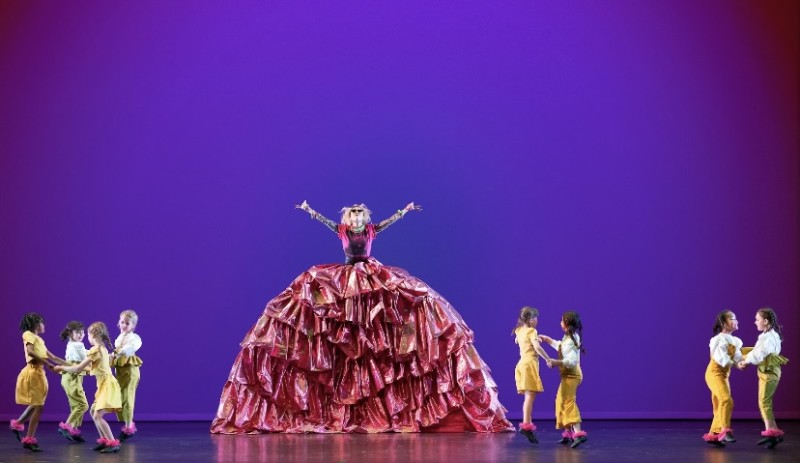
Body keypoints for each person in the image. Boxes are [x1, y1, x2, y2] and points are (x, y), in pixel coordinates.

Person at [211, 201, 513, 434]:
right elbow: (324, 221)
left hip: (370, 273)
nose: (356, 220)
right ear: (348, 219)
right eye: (352, 216)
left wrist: (405, 211)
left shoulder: (370, 230)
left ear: (364, 219)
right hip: (346, 277)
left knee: (397, 305)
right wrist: (307, 210)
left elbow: (389, 223)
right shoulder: (342, 231)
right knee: (331, 312)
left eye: (359, 216)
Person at [56, 322, 123, 453]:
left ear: (94, 334)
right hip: (105, 384)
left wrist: (61, 367)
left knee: (98, 415)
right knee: (93, 412)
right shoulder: (102, 349)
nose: (87, 337)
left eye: (87, 334)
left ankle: (112, 442)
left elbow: (78, 368)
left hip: (107, 385)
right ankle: (105, 440)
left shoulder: (96, 350)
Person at [10, 312, 66, 452]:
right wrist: (48, 364)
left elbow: (52, 356)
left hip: (40, 373)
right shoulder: (28, 334)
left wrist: (69, 365)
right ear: (36, 324)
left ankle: (18, 424)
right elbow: (30, 352)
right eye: (42, 322)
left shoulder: (40, 341)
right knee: (38, 405)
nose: (44, 325)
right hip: (33, 373)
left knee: (37, 403)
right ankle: (29, 439)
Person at [737, 308, 788, 449]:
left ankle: (771, 434)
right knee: (765, 402)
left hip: (769, 372)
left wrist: (745, 361)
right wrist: (743, 355)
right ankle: (773, 432)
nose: (755, 322)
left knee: (764, 402)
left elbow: (759, 354)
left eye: (757, 319)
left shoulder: (768, 337)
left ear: (765, 321)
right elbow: (757, 351)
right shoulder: (768, 335)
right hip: (767, 371)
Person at [540, 311, 587, 449]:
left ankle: (579, 434)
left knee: (568, 401)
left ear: (566, 323)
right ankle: (568, 433)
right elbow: (561, 346)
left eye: (561, 321)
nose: (560, 323)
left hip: (572, 375)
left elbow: (571, 361)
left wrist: (556, 362)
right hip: (567, 376)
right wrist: (548, 340)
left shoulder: (572, 339)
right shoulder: (568, 338)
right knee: (560, 401)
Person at [702, 310, 742, 447]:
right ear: (723, 323)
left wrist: (743, 361)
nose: (736, 321)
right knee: (726, 400)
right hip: (714, 373)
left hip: (724, 375)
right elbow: (721, 358)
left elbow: (737, 357)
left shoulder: (736, 341)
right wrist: (736, 364)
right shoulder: (718, 339)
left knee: (719, 404)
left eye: (736, 318)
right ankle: (725, 431)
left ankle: (714, 434)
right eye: (732, 318)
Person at [513, 306, 551, 444]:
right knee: (529, 397)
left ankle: (527, 424)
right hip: (529, 365)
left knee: (529, 397)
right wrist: (548, 359)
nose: (537, 320)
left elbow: (518, 340)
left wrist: (535, 339)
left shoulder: (519, 331)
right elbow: (537, 348)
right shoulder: (531, 331)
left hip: (522, 364)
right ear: (530, 319)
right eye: (535, 318)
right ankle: (526, 425)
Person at [112, 309, 143, 441]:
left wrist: (118, 353)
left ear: (133, 326)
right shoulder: (119, 337)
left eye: (127, 323)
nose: (124, 325)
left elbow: (130, 348)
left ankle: (129, 425)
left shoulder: (134, 338)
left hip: (130, 370)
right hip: (120, 370)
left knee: (128, 396)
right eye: (122, 322)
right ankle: (126, 422)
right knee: (120, 396)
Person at [58, 321, 90, 442]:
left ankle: (74, 430)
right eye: (78, 332)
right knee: (83, 405)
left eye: (82, 332)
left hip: (68, 378)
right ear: (70, 333)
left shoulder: (72, 344)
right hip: (72, 378)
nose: (81, 335)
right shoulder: (78, 345)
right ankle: (67, 426)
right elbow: (87, 358)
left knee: (75, 406)